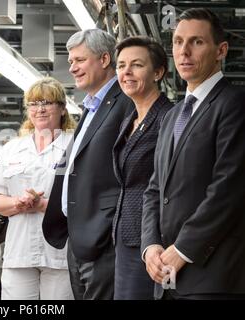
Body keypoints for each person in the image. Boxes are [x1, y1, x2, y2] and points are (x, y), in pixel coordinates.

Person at [141, 8, 245, 300]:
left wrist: (183, 249)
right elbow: (154, 190)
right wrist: (150, 247)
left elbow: (229, 188)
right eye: (177, 42)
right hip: (166, 275)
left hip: (213, 275)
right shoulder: (171, 116)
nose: (183, 51)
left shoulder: (234, 105)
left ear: (220, 50)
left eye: (196, 42)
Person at [42, 29, 134, 300]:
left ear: (105, 59)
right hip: (79, 238)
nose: (72, 68)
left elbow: (131, 171)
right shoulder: (92, 107)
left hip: (103, 239)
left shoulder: (125, 102)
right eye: (71, 62)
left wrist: (105, 226)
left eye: (79, 60)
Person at [0, 77, 76, 300]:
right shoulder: (12, 148)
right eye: (34, 104)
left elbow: (86, 200)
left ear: (62, 109)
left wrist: (42, 205)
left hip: (61, 254)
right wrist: (17, 203)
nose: (40, 109)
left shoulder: (75, 146)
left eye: (47, 102)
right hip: (19, 251)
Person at [112, 36, 173, 300]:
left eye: (136, 65)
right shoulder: (130, 118)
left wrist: (156, 242)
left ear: (158, 72)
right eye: (121, 65)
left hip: (154, 242)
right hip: (125, 235)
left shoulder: (168, 117)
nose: (126, 72)